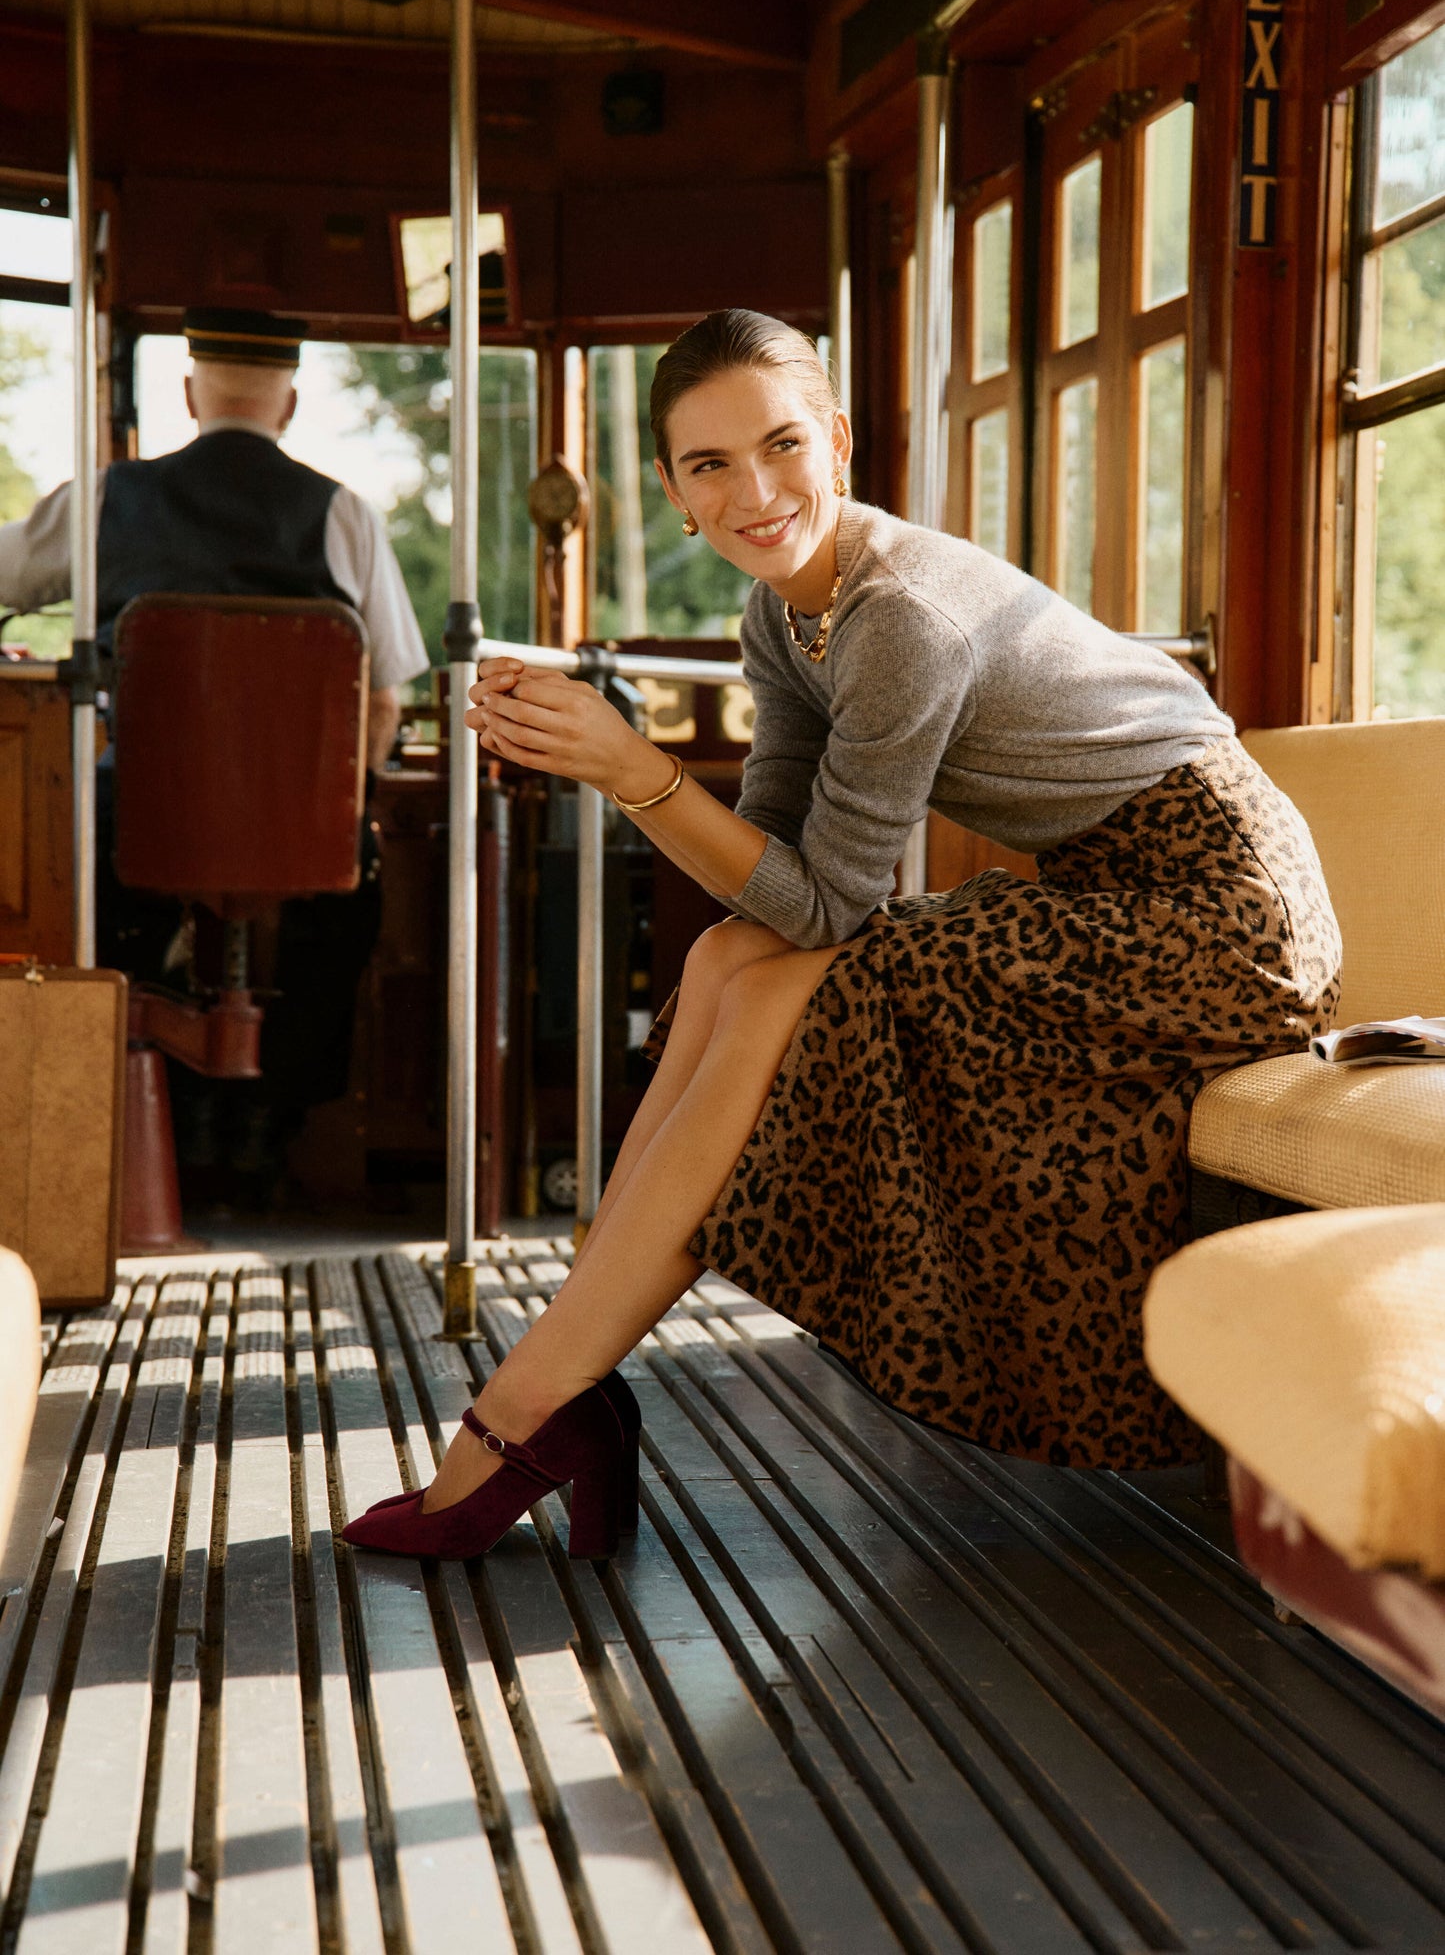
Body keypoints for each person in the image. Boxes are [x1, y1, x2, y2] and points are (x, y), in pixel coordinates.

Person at [344, 306, 1341, 1564]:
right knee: (722, 959)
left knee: (787, 987)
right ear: (672, 491)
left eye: (782, 446)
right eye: (710, 465)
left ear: (838, 441)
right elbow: (769, 878)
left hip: (1214, 917)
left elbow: (824, 909)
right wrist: (626, 769)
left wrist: (629, 767)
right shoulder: (781, 619)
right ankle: (557, 1379)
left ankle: (528, 1405)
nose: (755, 493)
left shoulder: (899, 616)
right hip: (1103, 892)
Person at [0, 306, 429, 1166]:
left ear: (191, 395)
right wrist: (338, 811)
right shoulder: (344, 514)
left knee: (63, 876)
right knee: (355, 893)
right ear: (290, 406)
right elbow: (385, 698)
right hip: (301, 831)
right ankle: (280, 1129)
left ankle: (107, 1122)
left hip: (133, 824)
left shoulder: (106, 499)